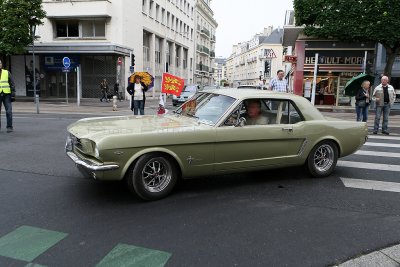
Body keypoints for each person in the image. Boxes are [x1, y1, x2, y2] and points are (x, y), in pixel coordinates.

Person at [0, 60, 16, 133]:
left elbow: (12, 83)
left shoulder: (6, 72)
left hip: (7, 94)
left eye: (0, 63)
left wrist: (13, 94)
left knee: (9, 111)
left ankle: (9, 127)